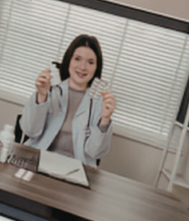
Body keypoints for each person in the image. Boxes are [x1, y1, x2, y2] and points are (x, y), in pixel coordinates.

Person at [20, 34, 117, 166]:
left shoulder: (99, 102)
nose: (83, 67)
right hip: (38, 160)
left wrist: (105, 120)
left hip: (76, 168)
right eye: (77, 59)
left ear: (96, 68)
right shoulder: (50, 89)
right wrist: (41, 97)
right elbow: (30, 131)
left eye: (90, 62)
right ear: (68, 61)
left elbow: (96, 153)